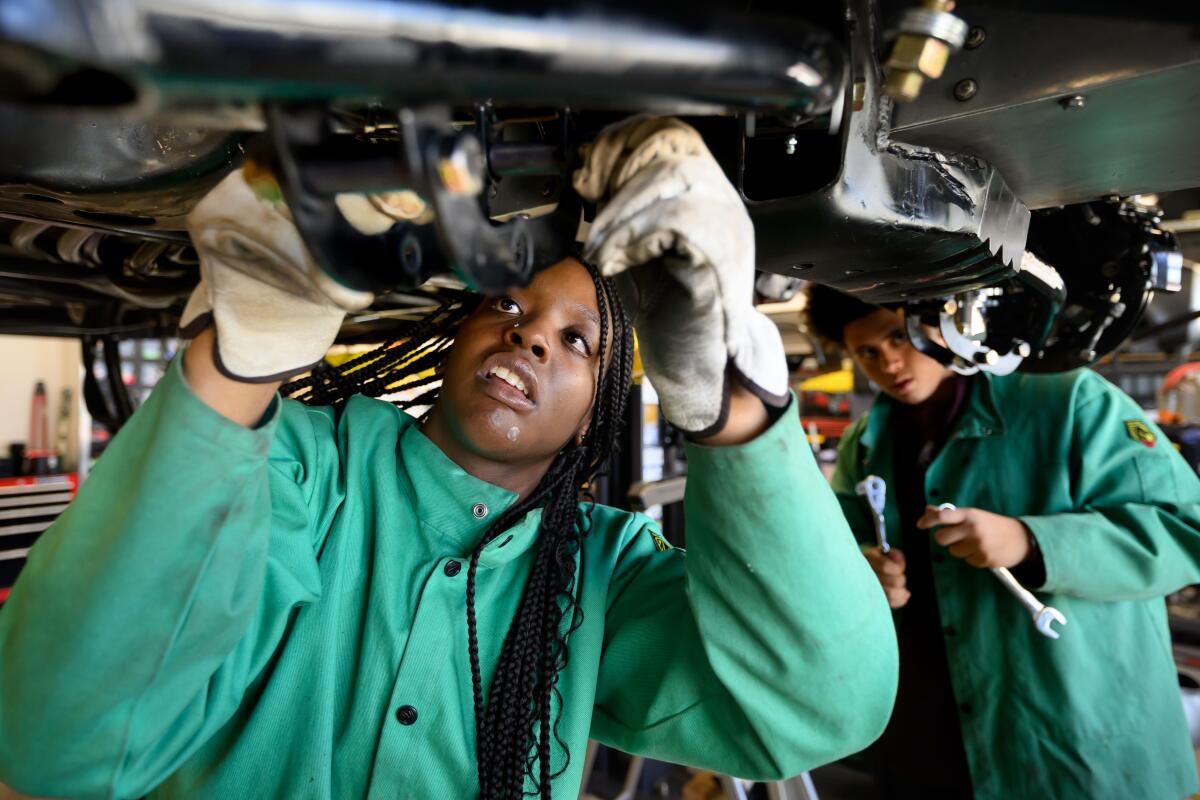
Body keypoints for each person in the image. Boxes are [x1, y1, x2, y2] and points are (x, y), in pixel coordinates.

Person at [0, 119, 898, 800]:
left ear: (599, 416)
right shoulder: (307, 467)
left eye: (579, 343)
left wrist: (736, 416)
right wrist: (237, 366)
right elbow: (60, 735)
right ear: (455, 337)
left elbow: (824, 707)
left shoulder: (603, 573)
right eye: (506, 307)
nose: (531, 339)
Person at [806, 283, 1200, 799]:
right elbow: (835, 549)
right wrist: (862, 571)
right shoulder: (865, 444)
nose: (889, 363)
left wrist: (1032, 542)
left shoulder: (1070, 400)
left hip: (1073, 744)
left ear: (942, 319)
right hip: (928, 739)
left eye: (896, 338)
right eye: (867, 353)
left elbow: (1185, 529)